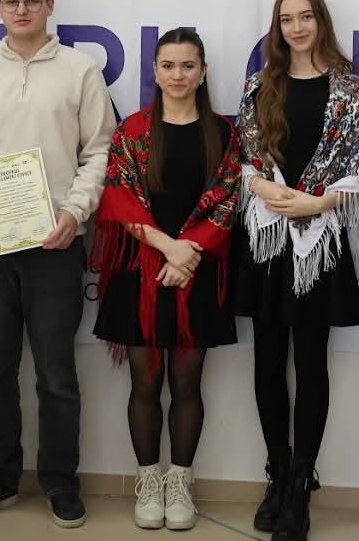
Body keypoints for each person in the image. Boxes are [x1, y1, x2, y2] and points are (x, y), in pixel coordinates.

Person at [0, 0, 115, 528]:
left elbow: (99, 150)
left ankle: (60, 482)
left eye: (32, 0)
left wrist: (75, 211)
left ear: (49, 5)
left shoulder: (80, 70)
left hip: (55, 242)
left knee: (56, 373)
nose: (22, 9)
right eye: (12, 0)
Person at [235, 0, 359, 541]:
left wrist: (320, 202)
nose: (296, 28)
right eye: (286, 19)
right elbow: (244, 157)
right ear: (277, 28)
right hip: (268, 237)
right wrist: (263, 187)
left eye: (305, 17)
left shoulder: (349, 89)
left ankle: (301, 487)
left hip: (320, 238)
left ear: (320, 21)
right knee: (268, 362)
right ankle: (277, 477)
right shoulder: (260, 86)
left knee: (312, 362)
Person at [92, 28, 241, 531]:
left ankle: (179, 483)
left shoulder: (223, 133)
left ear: (203, 72)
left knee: (187, 382)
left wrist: (187, 252)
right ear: (155, 71)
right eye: (169, 66)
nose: (178, 75)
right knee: (145, 382)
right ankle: (148, 482)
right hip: (141, 271)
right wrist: (167, 247)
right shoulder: (132, 130)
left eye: (188, 66)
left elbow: (229, 198)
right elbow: (118, 198)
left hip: (198, 270)